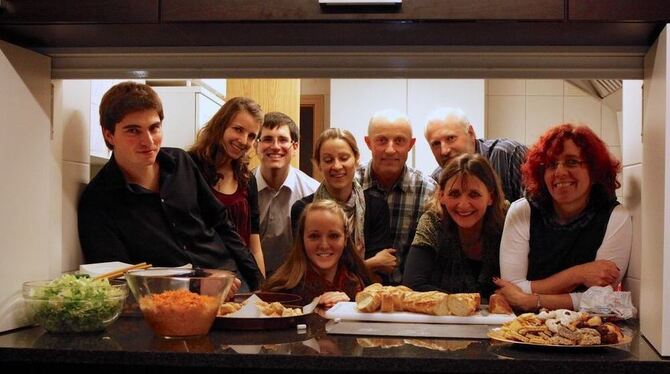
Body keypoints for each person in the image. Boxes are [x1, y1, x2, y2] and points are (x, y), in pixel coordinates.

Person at [78, 81, 263, 292]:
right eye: (133, 130)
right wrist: (195, 285)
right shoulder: (97, 201)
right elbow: (118, 282)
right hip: (174, 305)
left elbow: (222, 224)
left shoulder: (181, 162)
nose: (148, 141)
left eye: (154, 128)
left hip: (234, 283)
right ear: (109, 134)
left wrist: (258, 285)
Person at [494, 123, 632, 311]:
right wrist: (579, 274)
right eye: (551, 164)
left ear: (594, 170)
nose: (559, 172)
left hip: (588, 333)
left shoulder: (615, 217)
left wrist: (531, 300)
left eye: (572, 162)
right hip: (523, 331)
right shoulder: (522, 212)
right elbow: (512, 289)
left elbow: (603, 300)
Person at [291, 128, 393, 282]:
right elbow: (307, 268)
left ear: (357, 159)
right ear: (318, 164)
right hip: (318, 296)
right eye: (328, 160)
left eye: (344, 158)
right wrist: (371, 263)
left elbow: (381, 273)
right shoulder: (302, 208)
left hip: (365, 297)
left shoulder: (376, 207)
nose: (337, 166)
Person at [403, 154, 507, 298]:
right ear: (441, 196)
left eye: (474, 194)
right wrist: (466, 303)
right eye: (454, 194)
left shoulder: (507, 220)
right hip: (444, 317)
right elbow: (412, 285)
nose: (463, 205)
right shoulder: (432, 221)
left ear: (491, 197)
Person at [356, 109, 436, 285]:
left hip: (409, 297)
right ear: (368, 143)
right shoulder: (350, 186)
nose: (390, 150)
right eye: (382, 140)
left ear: (411, 144)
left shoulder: (428, 192)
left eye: (399, 141)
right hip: (354, 295)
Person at [189, 97, 266, 277]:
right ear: (221, 125)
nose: (243, 140)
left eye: (251, 136)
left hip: (243, 277)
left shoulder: (247, 178)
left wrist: (262, 288)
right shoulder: (190, 167)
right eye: (238, 129)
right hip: (202, 277)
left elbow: (255, 246)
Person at [264, 200, 372, 307]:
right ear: (302, 239)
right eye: (314, 236)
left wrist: (347, 309)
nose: (324, 245)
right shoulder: (279, 292)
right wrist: (311, 310)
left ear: (345, 239)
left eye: (333, 236)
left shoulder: (363, 287)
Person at [254, 112, 319, 276]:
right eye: (268, 139)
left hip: (297, 281)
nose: (275, 146)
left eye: (282, 140)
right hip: (249, 281)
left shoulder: (313, 192)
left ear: (295, 147)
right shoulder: (241, 189)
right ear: (256, 146)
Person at [424, 107, 527, 203]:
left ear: (471, 133)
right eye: (436, 144)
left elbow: (537, 212)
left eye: (451, 138)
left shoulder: (508, 156)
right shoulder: (436, 181)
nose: (444, 151)